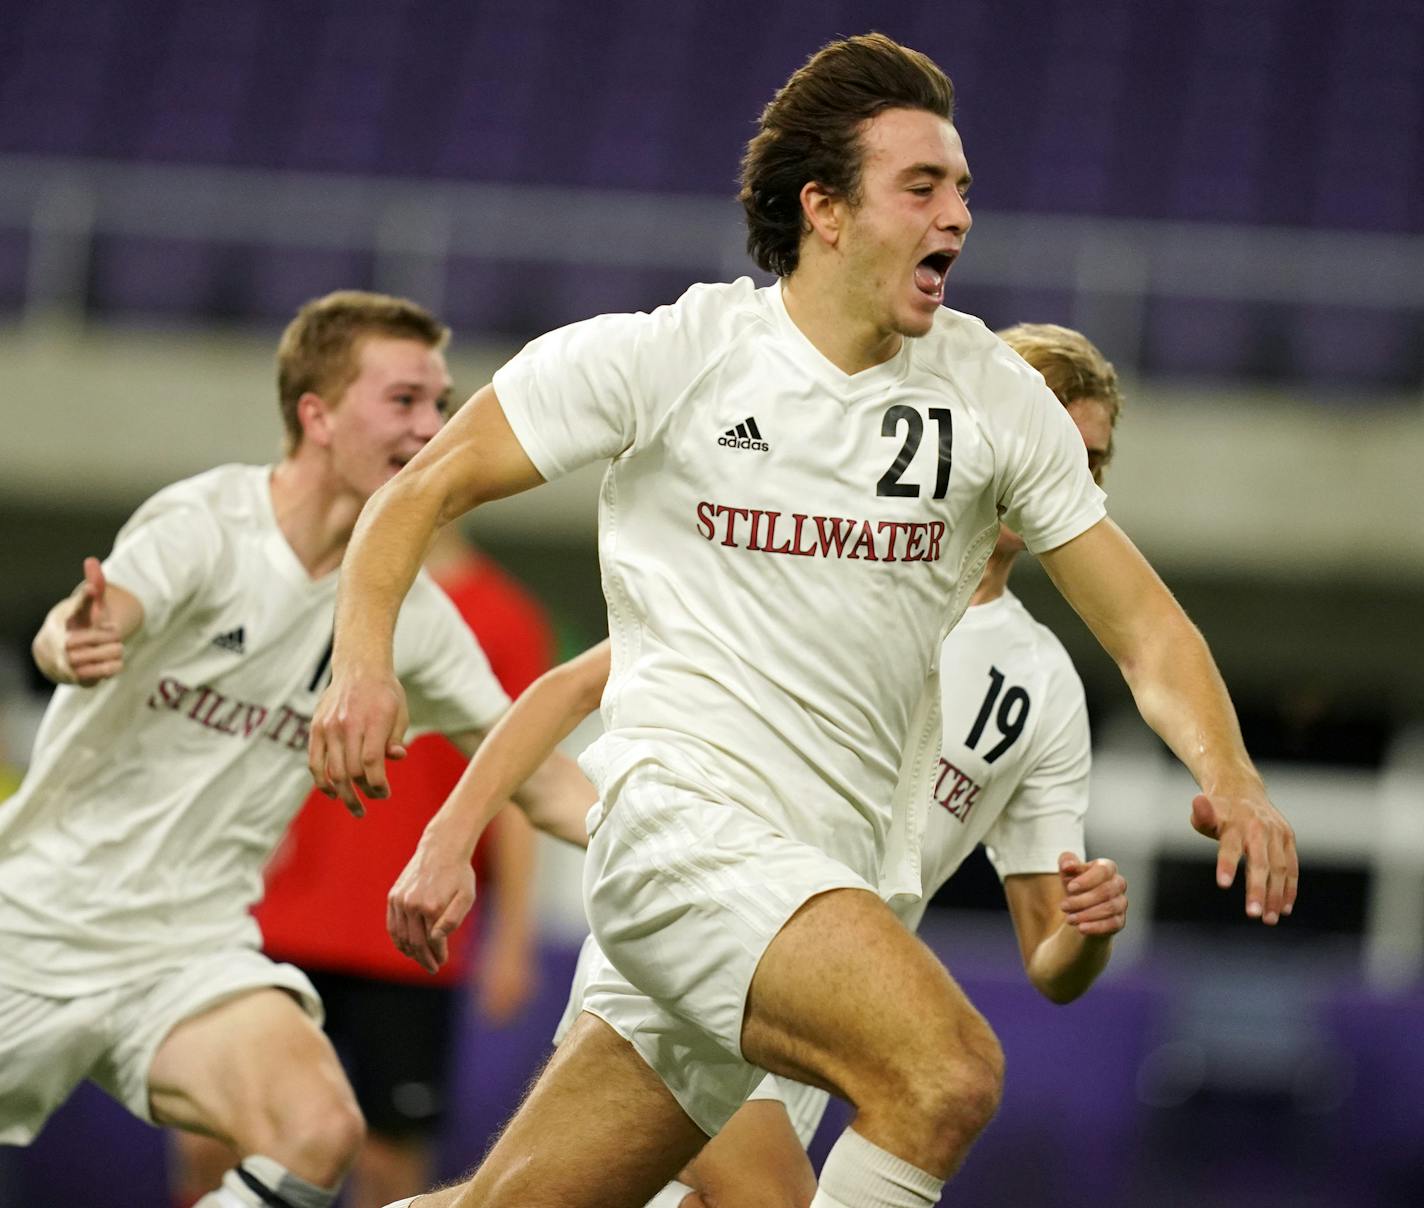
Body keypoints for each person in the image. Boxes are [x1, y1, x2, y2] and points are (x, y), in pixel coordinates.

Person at [311, 34, 1297, 1208]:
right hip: (684, 845)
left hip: (822, 876)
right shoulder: (671, 356)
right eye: (920, 186)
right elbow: (415, 492)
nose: (957, 216)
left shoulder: (987, 395)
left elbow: (1144, 627)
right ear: (824, 209)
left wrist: (1229, 772)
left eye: (963, 188)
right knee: (943, 1071)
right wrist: (361, 665)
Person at [389, 321, 1131, 1208]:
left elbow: (1050, 956)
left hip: (827, 1000)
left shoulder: (1041, 684)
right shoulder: (833, 551)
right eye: (1052, 435)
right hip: (708, 934)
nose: (1068, 472)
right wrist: (449, 837)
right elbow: (570, 689)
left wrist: (1087, 935)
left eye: (1092, 462)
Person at [0, 290, 594, 1208]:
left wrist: (685, 844)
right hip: (33, 925)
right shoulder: (208, 525)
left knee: (319, 1129)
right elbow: (93, 615)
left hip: (189, 955)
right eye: (404, 401)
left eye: (441, 404)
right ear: (315, 415)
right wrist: (70, 638)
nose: (433, 427)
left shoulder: (421, 622)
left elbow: (541, 784)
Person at [170, 525, 556, 1208]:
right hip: (275, 917)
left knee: (387, 1166)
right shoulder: (312, 587)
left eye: (427, 422)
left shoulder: (504, 617)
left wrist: (513, 934)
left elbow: (527, 786)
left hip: (408, 936)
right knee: (217, 1141)